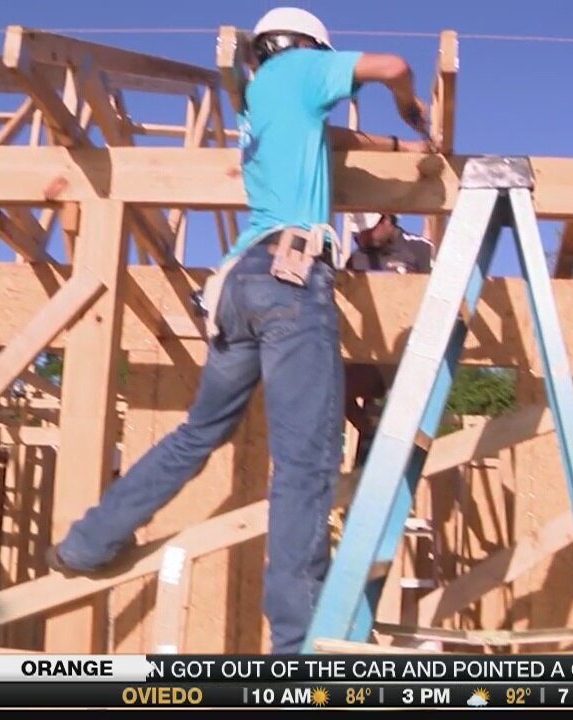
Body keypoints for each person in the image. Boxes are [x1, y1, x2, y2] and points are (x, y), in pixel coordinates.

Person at [45, 6, 433, 655]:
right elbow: (393, 66)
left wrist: (401, 150)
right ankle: (296, 647)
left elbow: (335, 140)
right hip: (291, 280)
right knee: (306, 461)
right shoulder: (303, 68)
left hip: (238, 286)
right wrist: (409, 106)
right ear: (307, 48)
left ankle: (87, 542)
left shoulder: (263, 100)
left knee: (199, 431)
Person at [343, 212, 435, 465]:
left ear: (386, 221)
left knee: (408, 421)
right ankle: (370, 430)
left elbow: (438, 298)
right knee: (332, 385)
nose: (360, 237)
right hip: (369, 354)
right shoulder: (356, 259)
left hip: (410, 353)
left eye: (367, 230)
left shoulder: (419, 249)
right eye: (357, 233)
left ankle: (397, 446)